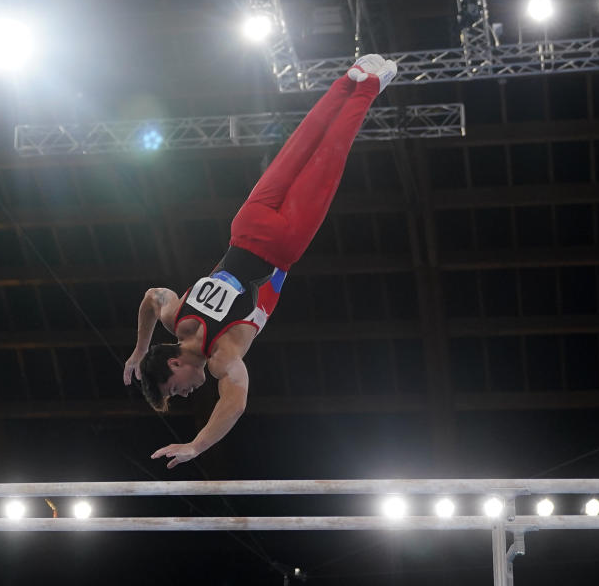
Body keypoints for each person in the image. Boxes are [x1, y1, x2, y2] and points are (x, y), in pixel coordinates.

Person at [122, 54, 398, 468]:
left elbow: (235, 403)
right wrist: (139, 350)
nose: (187, 394)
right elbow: (150, 296)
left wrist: (196, 445)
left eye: (176, 389)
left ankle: (369, 85)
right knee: (300, 145)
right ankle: (349, 79)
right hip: (246, 224)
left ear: (176, 363)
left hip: (282, 243)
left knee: (330, 155)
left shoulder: (222, 356)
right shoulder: (175, 316)